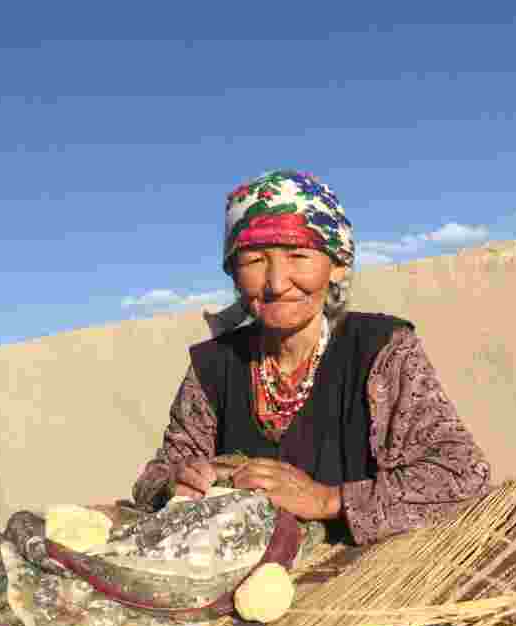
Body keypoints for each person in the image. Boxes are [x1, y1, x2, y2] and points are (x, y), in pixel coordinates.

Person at [132, 169, 491, 547]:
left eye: (298, 255)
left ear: (336, 266)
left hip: (372, 579)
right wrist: (177, 484)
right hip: (243, 589)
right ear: (234, 276)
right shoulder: (213, 366)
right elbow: (151, 481)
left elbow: (462, 474)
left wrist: (327, 499)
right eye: (254, 261)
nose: (275, 282)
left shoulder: (382, 350)